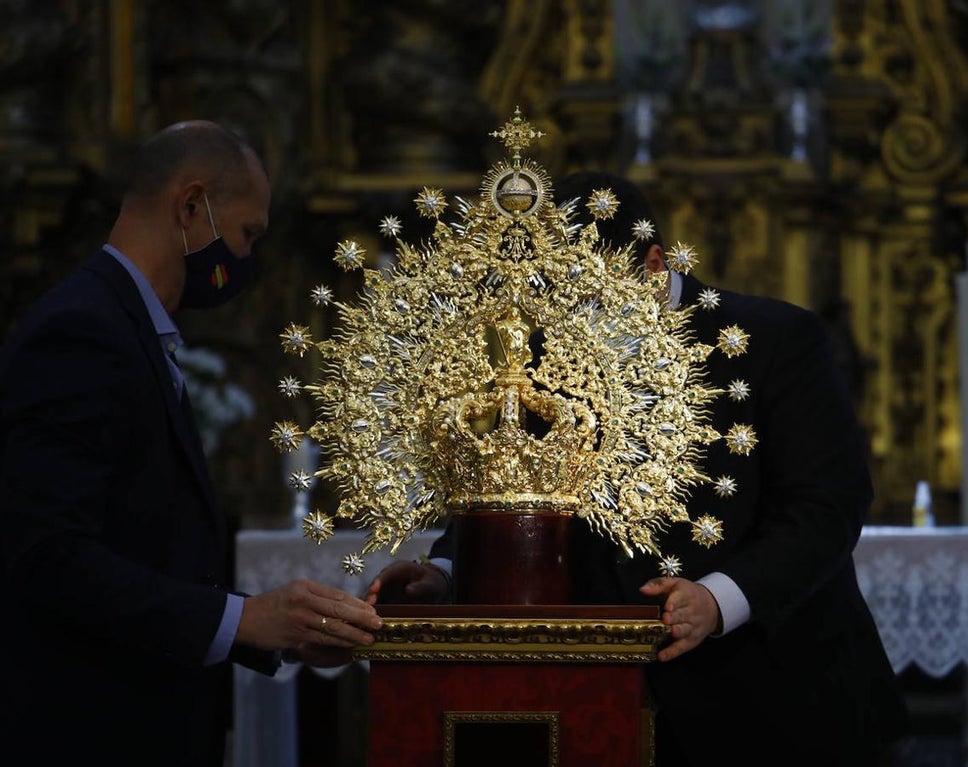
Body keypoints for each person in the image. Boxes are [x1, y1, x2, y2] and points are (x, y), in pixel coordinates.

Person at [368, 171, 909, 765]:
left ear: (653, 265)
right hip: (597, 705)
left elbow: (827, 504)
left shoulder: (775, 340)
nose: (571, 325)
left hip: (776, 701)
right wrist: (446, 572)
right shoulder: (541, 354)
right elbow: (509, 483)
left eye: (590, 300)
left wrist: (718, 599)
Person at [0, 120, 383, 766]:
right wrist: (241, 619)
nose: (247, 259)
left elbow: (147, 547)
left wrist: (274, 629)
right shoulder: (81, 332)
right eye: (246, 234)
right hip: (89, 730)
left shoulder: (130, 329)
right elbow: (48, 554)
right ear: (190, 206)